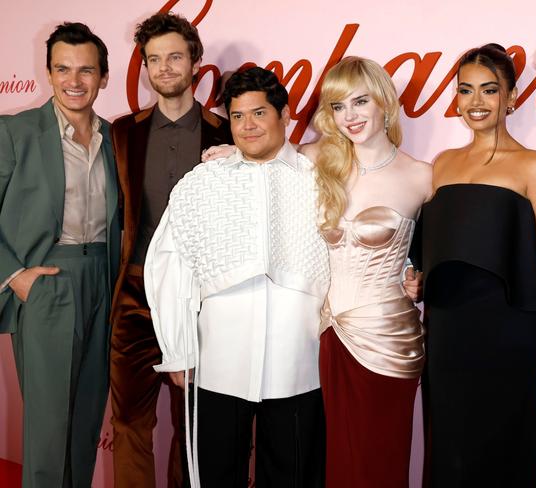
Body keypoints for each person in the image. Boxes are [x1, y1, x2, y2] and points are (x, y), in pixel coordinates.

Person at [144, 67, 329, 487]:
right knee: (214, 473)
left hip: (298, 361)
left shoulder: (317, 179)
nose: (248, 126)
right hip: (218, 359)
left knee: (293, 473)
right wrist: (177, 349)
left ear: (284, 114)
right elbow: (170, 263)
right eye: (238, 115)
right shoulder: (204, 181)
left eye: (259, 113)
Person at [412, 44, 536, 487]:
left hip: (511, 336)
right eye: (465, 91)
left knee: (504, 456)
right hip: (449, 336)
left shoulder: (534, 167)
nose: (476, 103)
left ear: (512, 97)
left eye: (489, 90)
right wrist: (417, 278)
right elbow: (436, 251)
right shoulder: (442, 165)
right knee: (450, 454)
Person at [295, 56, 431, 488]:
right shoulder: (314, 159)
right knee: (335, 459)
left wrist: (420, 273)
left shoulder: (423, 176)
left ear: (385, 103)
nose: (349, 116)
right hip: (329, 335)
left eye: (360, 102)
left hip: (389, 338)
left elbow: (437, 249)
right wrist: (230, 154)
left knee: (381, 459)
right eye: (338, 106)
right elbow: (261, 157)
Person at [109, 12, 232, 488]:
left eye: (174, 57)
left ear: (196, 62)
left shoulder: (228, 133)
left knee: (194, 429)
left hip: (202, 300)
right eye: (153, 59)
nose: (163, 68)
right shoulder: (124, 132)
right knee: (129, 424)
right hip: (135, 295)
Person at [0, 22, 120, 488]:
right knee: (49, 428)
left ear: (103, 77)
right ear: (49, 74)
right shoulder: (16, 132)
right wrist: (15, 276)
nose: (74, 80)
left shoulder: (116, 139)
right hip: (47, 279)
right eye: (62, 68)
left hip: (102, 280)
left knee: (87, 418)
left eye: (86, 70)